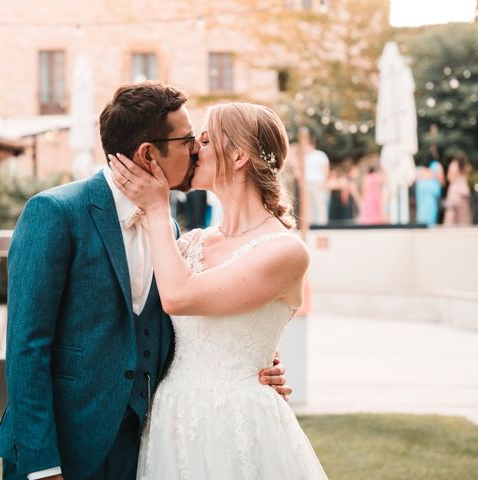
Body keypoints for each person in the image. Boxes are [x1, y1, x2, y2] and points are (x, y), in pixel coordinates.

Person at [0, 82, 290, 480]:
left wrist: (255, 362)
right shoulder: (54, 212)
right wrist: (43, 466)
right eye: (187, 140)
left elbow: (182, 326)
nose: (197, 149)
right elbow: (27, 347)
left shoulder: (168, 229)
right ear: (149, 153)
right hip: (62, 448)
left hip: (145, 446)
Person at [111, 102, 328, 479]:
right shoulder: (190, 244)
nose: (193, 147)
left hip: (239, 424)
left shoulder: (285, 250)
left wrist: (159, 209)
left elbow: (180, 298)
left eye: (206, 140)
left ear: (240, 155)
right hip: (171, 420)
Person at [301, 129, 330, 226]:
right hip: (307, 184)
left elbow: (326, 169)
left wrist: (324, 182)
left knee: (320, 205)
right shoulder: (303, 157)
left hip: (318, 184)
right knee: (309, 207)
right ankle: (311, 225)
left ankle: (322, 225)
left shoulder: (320, 155)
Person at [443, 152, 472, 226]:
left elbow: (450, 178)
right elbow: (466, 178)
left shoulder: (453, 165)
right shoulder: (466, 166)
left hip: (455, 189)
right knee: (464, 211)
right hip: (464, 188)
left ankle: (450, 226)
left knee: (451, 210)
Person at [415, 157, 443, 226]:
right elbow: (441, 180)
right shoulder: (436, 166)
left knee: (423, 216)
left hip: (425, 200)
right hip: (430, 200)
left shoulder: (419, 170)